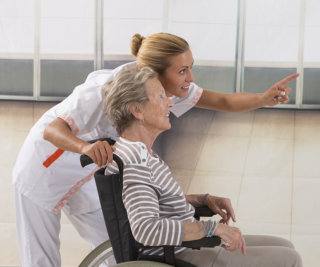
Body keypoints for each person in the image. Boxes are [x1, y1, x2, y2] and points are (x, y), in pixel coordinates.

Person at [12, 32, 299, 267]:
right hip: (44, 169)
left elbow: (221, 101)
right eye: (183, 71)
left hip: (92, 174)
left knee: (119, 249)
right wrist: (85, 146)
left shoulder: (164, 93)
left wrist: (263, 98)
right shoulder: (104, 90)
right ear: (155, 77)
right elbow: (52, 130)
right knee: (40, 260)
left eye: (190, 67)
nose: (190, 78)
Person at [102, 65, 302, 266]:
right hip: (181, 254)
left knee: (285, 246)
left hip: (190, 244)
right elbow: (147, 229)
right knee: (290, 260)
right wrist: (212, 229)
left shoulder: (138, 152)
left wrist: (202, 199)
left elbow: (155, 202)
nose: (169, 104)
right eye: (161, 97)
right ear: (137, 110)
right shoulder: (136, 163)